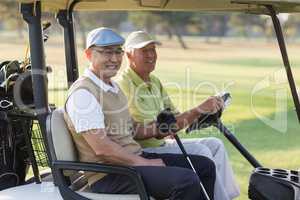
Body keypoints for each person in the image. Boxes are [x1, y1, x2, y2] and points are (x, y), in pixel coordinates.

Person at [63, 27, 217, 200]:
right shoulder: (84, 94)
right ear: (89, 54)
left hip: (130, 162)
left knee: (205, 166)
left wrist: (159, 129)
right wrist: (145, 163)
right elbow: (102, 149)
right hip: (109, 174)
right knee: (186, 181)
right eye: (106, 52)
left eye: (117, 52)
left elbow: (132, 129)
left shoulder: (111, 87)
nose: (114, 59)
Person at [117, 30, 240, 200]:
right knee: (201, 151)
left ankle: (225, 197)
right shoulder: (125, 84)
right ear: (129, 55)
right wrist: (197, 110)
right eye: (144, 51)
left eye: (153, 49)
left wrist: (201, 112)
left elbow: (175, 117)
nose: (151, 55)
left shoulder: (154, 81)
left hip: (162, 143)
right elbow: (156, 130)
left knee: (215, 144)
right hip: (146, 149)